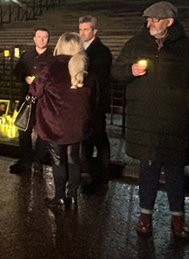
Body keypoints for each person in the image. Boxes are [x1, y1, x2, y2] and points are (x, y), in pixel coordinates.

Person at [112, 1, 189, 240]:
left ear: (169, 21)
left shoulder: (188, 48)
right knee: (148, 169)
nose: (149, 23)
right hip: (144, 119)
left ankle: (178, 218)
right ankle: (145, 215)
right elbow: (117, 71)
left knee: (175, 171)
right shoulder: (136, 43)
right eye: (148, 20)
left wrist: (185, 104)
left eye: (154, 19)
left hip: (174, 121)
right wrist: (130, 71)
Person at [29, 33, 93, 207]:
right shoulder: (85, 66)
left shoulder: (50, 66)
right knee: (73, 159)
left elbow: (35, 91)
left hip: (54, 123)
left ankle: (59, 197)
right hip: (78, 122)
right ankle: (71, 194)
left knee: (58, 160)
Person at [9, 28, 53, 174]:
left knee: (42, 132)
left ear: (48, 39)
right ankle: (25, 160)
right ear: (34, 38)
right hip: (27, 98)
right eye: (39, 37)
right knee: (23, 129)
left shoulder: (52, 56)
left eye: (44, 37)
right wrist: (24, 78)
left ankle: (38, 161)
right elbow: (17, 72)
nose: (41, 40)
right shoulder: (27, 55)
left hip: (44, 99)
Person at [78, 15, 112, 193]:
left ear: (94, 31)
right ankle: (88, 173)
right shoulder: (79, 49)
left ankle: (100, 175)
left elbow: (99, 78)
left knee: (98, 137)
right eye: (81, 29)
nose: (82, 32)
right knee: (86, 139)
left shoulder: (102, 51)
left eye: (86, 29)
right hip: (83, 102)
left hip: (96, 102)